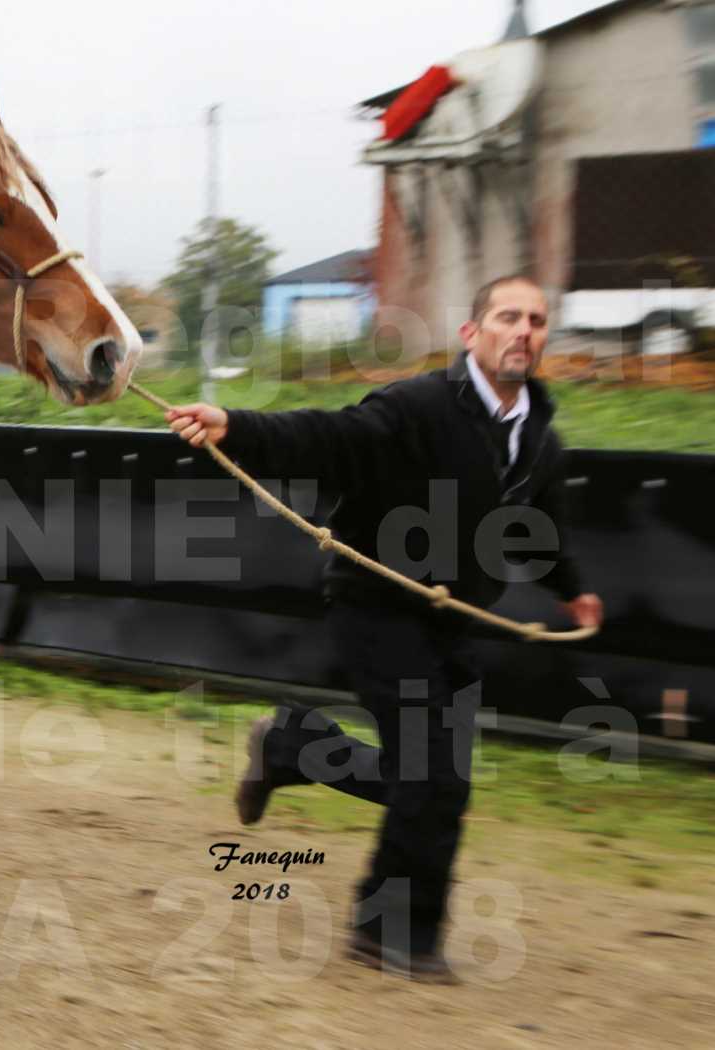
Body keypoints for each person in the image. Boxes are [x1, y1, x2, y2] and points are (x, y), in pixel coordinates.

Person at [167, 275, 603, 981]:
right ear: (472, 333)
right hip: (374, 605)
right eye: (505, 317)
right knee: (430, 774)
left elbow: (540, 531)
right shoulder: (417, 406)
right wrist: (236, 425)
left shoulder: (540, 441)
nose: (521, 330)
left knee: (437, 780)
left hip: (448, 622)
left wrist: (572, 591)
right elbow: (328, 437)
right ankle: (392, 933)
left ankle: (294, 746)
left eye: (534, 320)